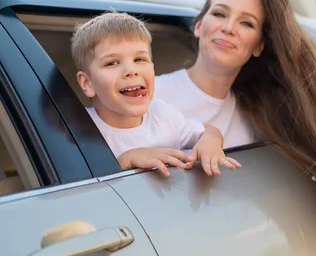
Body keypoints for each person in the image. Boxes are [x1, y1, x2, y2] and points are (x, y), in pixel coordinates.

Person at [154, 0, 316, 237]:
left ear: (258, 46)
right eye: (220, 14)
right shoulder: (150, 94)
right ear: (199, 26)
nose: (229, 27)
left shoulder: (258, 115)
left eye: (246, 23)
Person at [71, 11, 241, 177]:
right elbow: (77, 185)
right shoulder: (79, 130)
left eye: (140, 59)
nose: (131, 70)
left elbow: (208, 131)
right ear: (88, 83)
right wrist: (127, 160)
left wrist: (210, 142)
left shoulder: (163, 114)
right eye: (112, 63)